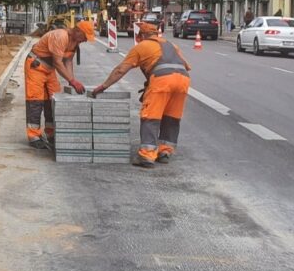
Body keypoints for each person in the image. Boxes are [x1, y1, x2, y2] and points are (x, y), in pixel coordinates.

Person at [91, 22, 191, 168]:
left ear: (142, 35)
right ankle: (165, 152)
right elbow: (185, 66)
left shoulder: (142, 46)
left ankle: (147, 155)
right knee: (171, 117)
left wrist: (103, 86)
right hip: (183, 81)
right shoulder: (171, 45)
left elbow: (121, 70)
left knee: (151, 117)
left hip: (162, 81)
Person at [25, 20, 95, 149]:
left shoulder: (75, 41)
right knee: (35, 100)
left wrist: (71, 81)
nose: (85, 40)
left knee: (53, 98)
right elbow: (58, 63)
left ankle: (50, 133)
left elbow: (68, 61)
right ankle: (33, 136)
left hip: (49, 69)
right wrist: (73, 81)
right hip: (36, 65)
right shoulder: (61, 36)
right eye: (84, 37)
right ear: (78, 31)